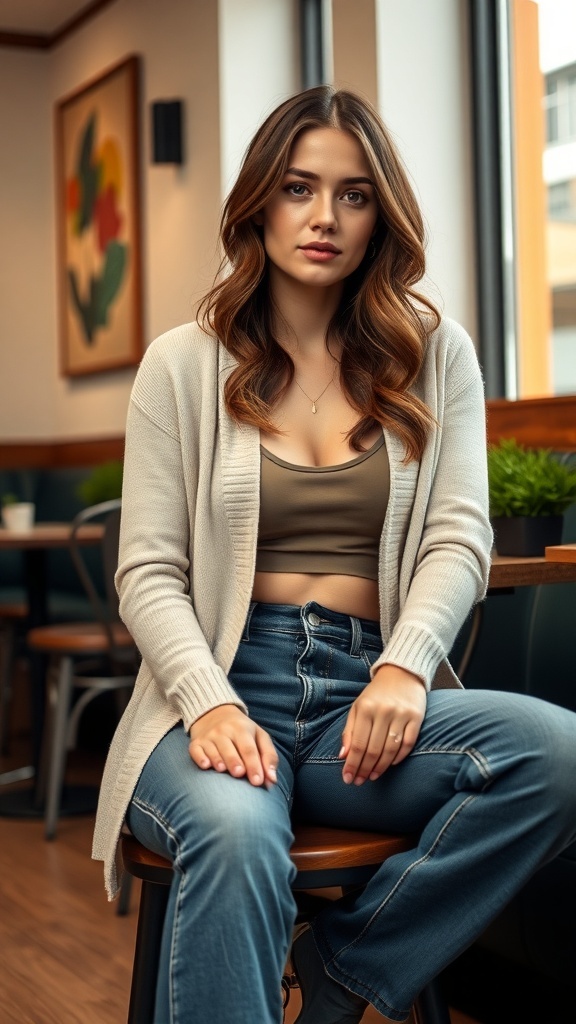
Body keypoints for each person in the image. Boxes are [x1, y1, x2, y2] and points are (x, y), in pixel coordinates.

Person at [92, 85, 576, 1024]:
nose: (324, 217)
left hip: (370, 699)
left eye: (354, 194)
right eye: (300, 188)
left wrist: (402, 666)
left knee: (558, 756)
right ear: (258, 204)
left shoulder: (436, 353)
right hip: (219, 689)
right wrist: (209, 700)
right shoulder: (181, 365)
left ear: (380, 213)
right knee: (234, 832)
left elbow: (458, 535)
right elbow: (147, 570)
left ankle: (343, 973)